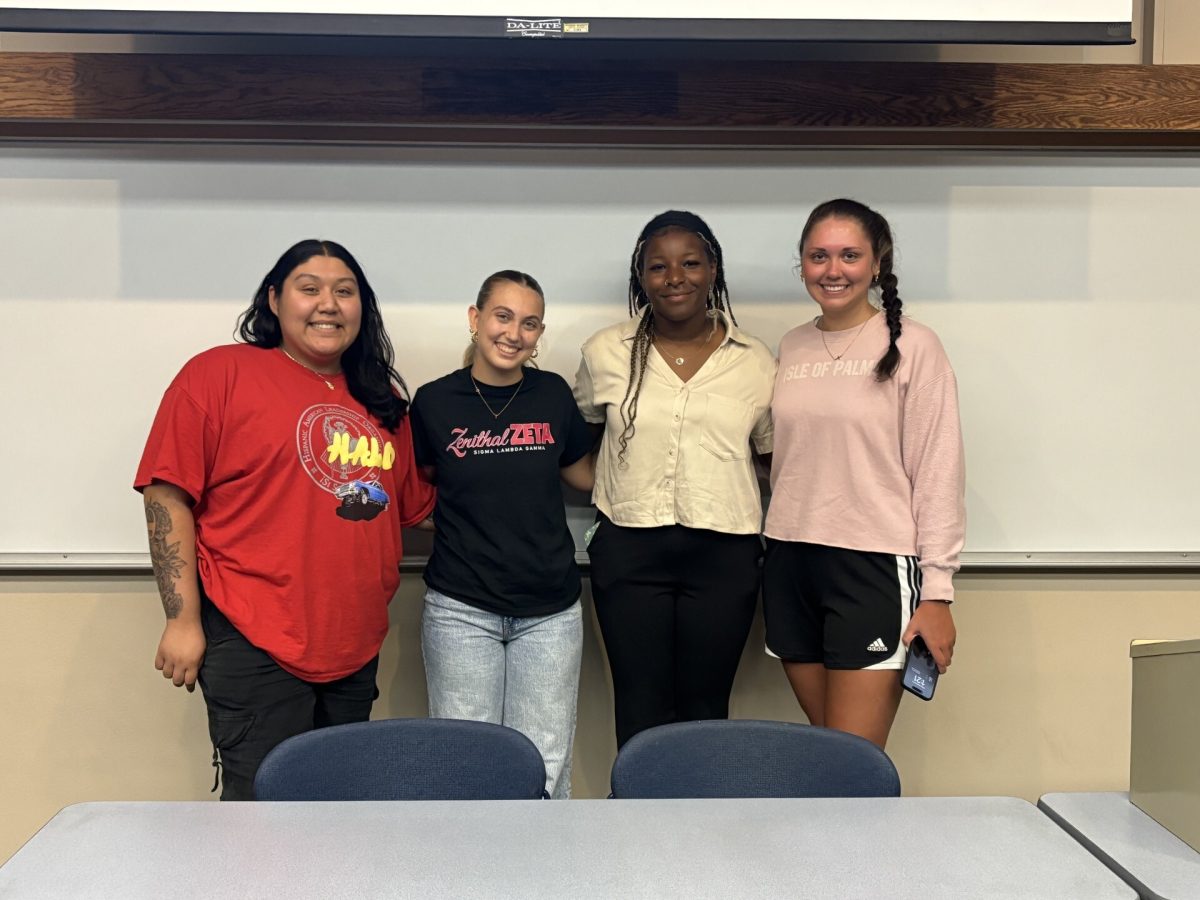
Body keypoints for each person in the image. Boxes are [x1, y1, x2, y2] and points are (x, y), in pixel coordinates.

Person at [135, 239, 435, 800]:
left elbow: (415, 510)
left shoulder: (382, 397)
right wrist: (181, 620)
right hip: (253, 637)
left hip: (353, 645)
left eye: (345, 292)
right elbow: (165, 496)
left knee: (339, 811)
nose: (328, 303)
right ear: (274, 300)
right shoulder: (218, 374)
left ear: (361, 309)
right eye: (310, 288)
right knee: (264, 819)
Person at [764, 198, 964, 749]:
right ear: (802, 264)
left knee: (854, 763)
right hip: (789, 560)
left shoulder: (914, 346)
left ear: (877, 264)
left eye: (850, 255)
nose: (833, 270)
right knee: (827, 751)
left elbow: (939, 470)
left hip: (871, 566)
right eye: (818, 256)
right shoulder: (792, 346)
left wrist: (938, 594)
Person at [574, 210, 776, 748]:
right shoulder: (605, 352)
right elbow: (579, 446)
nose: (675, 277)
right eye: (658, 266)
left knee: (706, 707)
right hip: (629, 551)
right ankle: (637, 827)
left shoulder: (755, 361)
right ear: (640, 278)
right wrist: (612, 487)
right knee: (638, 702)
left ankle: (701, 829)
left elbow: (774, 459)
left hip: (724, 555)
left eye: (691, 263)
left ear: (714, 271)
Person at [409, 271, 594, 799]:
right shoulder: (434, 402)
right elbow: (416, 497)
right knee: (467, 761)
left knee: (545, 758)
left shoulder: (552, 394)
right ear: (475, 319)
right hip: (461, 609)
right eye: (503, 316)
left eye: (530, 323)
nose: (515, 333)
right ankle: (472, 876)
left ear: (539, 334)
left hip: (551, 612)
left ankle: (542, 876)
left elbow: (583, 475)